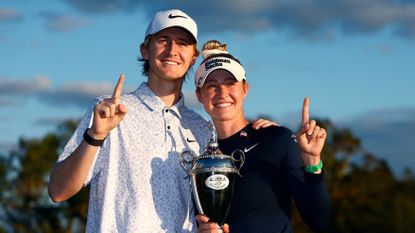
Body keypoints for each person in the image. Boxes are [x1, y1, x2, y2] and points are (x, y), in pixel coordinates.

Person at [48, 10, 273, 232]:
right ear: (145, 50)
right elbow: (58, 191)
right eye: (163, 40)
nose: (172, 50)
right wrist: (95, 137)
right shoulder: (108, 112)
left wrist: (264, 133)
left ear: (194, 57)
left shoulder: (203, 129)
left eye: (182, 43)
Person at [194, 40, 330, 233]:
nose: (222, 93)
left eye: (230, 83)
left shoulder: (276, 139)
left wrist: (312, 160)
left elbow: (318, 220)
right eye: (211, 85)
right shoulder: (197, 154)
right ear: (199, 95)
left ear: (245, 89)